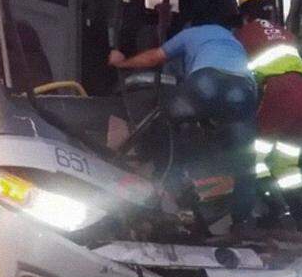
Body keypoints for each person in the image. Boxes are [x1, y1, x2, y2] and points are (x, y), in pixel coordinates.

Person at [107, 16, 258, 230]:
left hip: (208, 80)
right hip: (244, 88)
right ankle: (242, 222)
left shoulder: (190, 33)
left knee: (171, 126)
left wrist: (122, 62)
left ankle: (167, 196)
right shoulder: (232, 40)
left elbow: (154, 58)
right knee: (246, 160)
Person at [234, 0, 302, 232]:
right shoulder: (286, 34)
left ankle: (274, 211)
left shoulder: (243, 35)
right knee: (287, 164)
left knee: (254, 159)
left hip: (276, 93)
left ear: (245, 11)